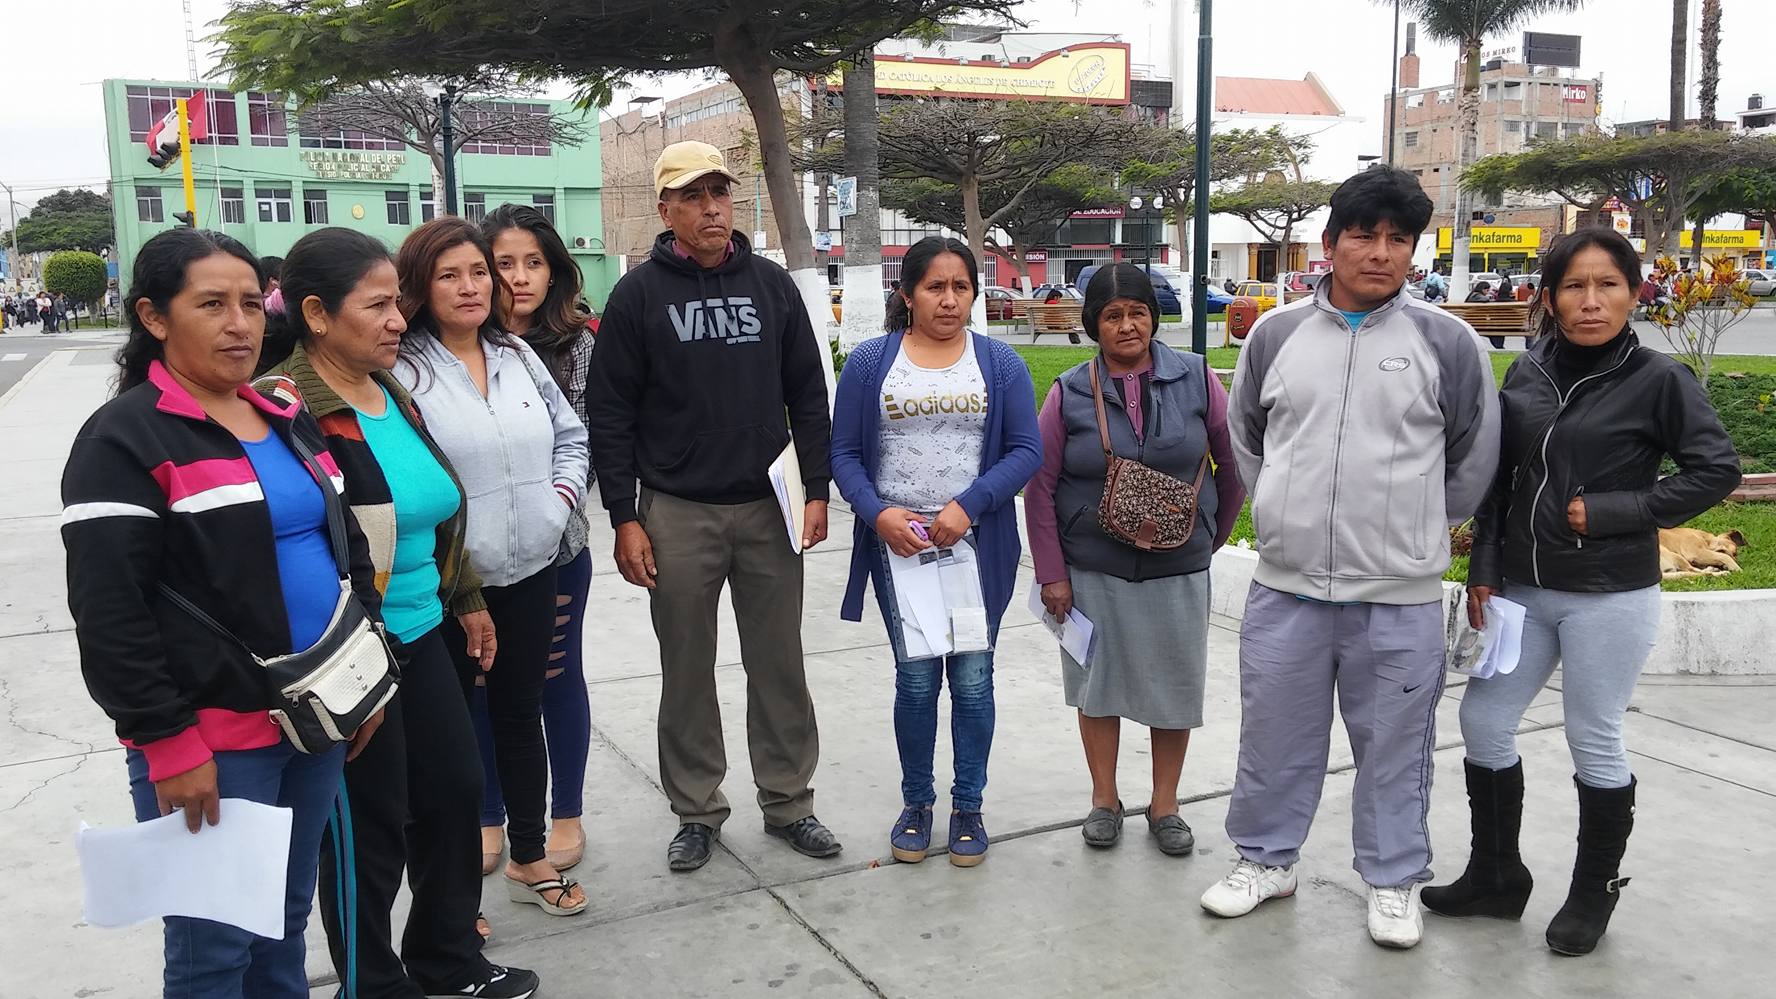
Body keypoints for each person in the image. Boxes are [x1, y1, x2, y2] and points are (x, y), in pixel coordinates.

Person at [61, 228, 385, 995]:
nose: (240, 323)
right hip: (213, 741)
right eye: (211, 304)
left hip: (315, 724)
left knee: (283, 924)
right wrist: (168, 741)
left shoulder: (281, 412)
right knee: (213, 949)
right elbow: (110, 613)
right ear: (154, 316)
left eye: (249, 302)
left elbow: (347, 543)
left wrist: (366, 674)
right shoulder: (122, 440)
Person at [1206, 166, 1500, 949]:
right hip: (1288, 589)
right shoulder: (1275, 335)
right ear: (1330, 242)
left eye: (1398, 239)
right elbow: (1248, 439)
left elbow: (1472, 458)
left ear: (1413, 251)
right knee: (1273, 736)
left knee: (1395, 747)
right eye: (1364, 235)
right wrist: (1284, 511)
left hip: (1399, 596)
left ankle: (1393, 878)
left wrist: (1413, 530)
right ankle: (1265, 859)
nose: (1380, 252)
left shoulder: (1448, 342)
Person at [1425, 227, 1740, 956]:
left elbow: (1716, 468)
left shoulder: (1659, 380)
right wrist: (1484, 565)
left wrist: (1619, 510)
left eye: (1608, 285)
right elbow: (1501, 479)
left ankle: (1593, 891)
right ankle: (1497, 875)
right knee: (1484, 720)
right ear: (1550, 297)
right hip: (1526, 591)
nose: (1591, 300)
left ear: (1634, 294)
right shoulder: (1527, 372)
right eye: (1574, 285)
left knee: (1592, 736)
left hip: (1608, 591)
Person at [254, 228, 539, 999]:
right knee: (368, 827)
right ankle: (371, 983)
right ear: (317, 314)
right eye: (377, 305)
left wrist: (467, 599)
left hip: (421, 628)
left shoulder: (390, 390)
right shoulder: (286, 408)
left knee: (453, 793)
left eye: (396, 302)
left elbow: (430, 514)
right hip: (350, 649)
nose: (397, 319)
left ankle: (448, 957)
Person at [585, 140, 838, 872]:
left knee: (779, 664)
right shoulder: (637, 297)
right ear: (665, 209)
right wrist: (624, 516)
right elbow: (611, 413)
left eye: (719, 193)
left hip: (768, 509)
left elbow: (808, 393)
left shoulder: (771, 286)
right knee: (687, 670)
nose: (711, 208)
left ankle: (789, 803)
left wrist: (816, 490)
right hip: (677, 511)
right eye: (692, 196)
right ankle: (697, 811)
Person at [393, 217, 591, 918]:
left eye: (479, 272)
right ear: (420, 286)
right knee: (446, 743)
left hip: (532, 568)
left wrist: (555, 505)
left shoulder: (515, 353)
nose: (472, 286)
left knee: (520, 715)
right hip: (447, 586)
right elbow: (406, 477)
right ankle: (450, 897)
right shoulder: (402, 369)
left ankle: (529, 854)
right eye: (449, 275)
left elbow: (571, 435)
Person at [830, 237, 1041, 868]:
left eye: (961, 287)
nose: (949, 300)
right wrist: (879, 515)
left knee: (973, 682)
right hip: (901, 551)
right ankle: (916, 804)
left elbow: (1025, 450)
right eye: (934, 287)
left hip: (976, 549)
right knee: (917, 681)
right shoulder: (871, 363)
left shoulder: (999, 364)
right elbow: (844, 453)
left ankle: (968, 806)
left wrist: (968, 506)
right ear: (907, 294)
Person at [1023, 263, 1244, 857]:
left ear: (1154, 317)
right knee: (1097, 685)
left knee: (1175, 685)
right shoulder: (1069, 390)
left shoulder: (1198, 378)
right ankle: (1105, 799)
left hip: (1179, 567)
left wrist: (1208, 537)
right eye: (1113, 316)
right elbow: (1040, 487)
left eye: (1138, 313)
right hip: (1092, 568)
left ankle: (1165, 804)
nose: (1127, 326)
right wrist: (1052, 573)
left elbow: (1233, 466)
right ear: (1094, 324)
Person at [480, 203, 598, 875]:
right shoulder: (447, 344)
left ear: (554, 273)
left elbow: (581, 440)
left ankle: (566, 813)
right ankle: (489, 814)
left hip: (557, 547)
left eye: (534, 263)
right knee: (482, 683)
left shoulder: (575, 345)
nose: (519, 278)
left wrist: (550, 513)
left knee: (553, 677)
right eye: (504, 263)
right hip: (473, 559)